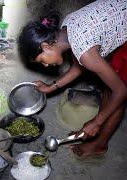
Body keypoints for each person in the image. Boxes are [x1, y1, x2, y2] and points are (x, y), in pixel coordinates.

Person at [17, 0, 127, 157]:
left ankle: (99, 145)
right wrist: (51, 86)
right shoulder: (67, 27)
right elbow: (78, 66)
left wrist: (96, 122)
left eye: (42, 60)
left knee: (117, 94)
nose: (46, 66)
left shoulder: (85, 52)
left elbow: (121, 90)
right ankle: (97, 133)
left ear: (46, 47)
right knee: (108, 89)